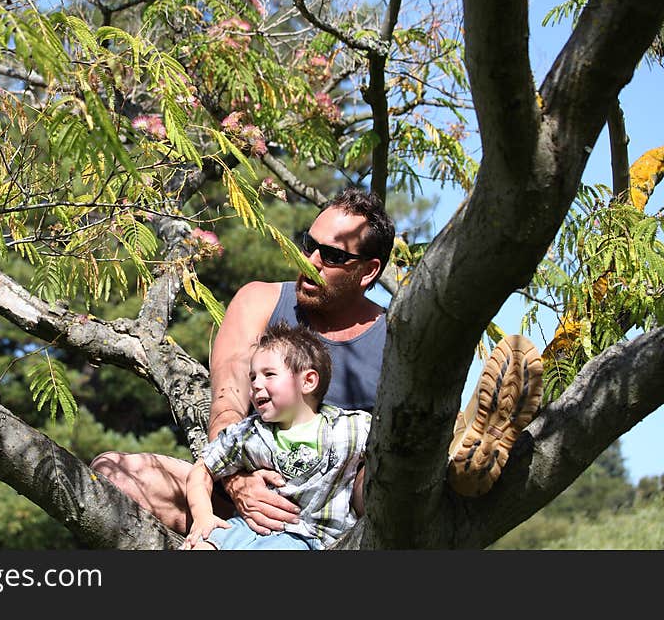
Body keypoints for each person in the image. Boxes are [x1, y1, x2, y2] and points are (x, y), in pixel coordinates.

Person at [91, 187, 542, 538]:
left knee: (384, 468)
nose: (309, 261)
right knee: (113, 473)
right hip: (251, 491)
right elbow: (228, 403)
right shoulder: (259, 302)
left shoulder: (398, 339)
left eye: (331, 256)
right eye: (309, 244)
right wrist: (237, 484)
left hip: (344, 509)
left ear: (368, 272)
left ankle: (456, 463)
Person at [181, 322, 371, 550]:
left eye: (268, 374)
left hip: (305, 538)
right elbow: (202, 469)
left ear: (308, 381)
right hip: (245, 528)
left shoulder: (350, 429)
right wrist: (203, 518)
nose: (255, 385)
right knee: (200, 547)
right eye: (252, 377)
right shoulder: (248, 434)